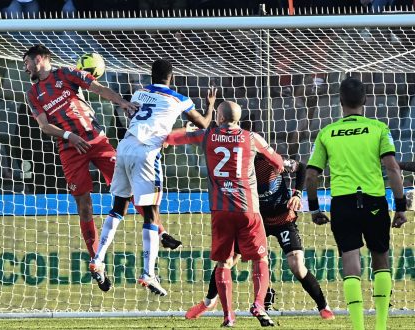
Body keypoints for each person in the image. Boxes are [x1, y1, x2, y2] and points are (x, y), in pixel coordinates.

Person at [22, 45, 181, 292]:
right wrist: (69, 136)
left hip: (96, 140)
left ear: (39, 59)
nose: (26, 68)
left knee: (127, 191)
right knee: (84, 207)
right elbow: (44, 126)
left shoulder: (66, 73)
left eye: (27, 63)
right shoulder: (33, 94)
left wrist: (122, 103)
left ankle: (160, 232)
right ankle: (97, 263)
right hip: (69, 148)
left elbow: (97, 88)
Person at [89, 59, 215, 296]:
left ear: (151, 75)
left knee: (118, 207)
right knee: (151, 213)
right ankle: (148, 273)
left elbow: (139, 115)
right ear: (172, 77)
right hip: (147, 152)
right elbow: (204, 124)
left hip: (125, 146)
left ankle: (98, 258)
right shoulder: (179, 98)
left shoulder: (139, 92)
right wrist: (210, 106)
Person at [166, 101, 282, 327]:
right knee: (260, 259)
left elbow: (172, 139)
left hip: (221, 210)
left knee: (223, 263)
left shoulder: (207, 135)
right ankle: (258, 305)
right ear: (238, 118)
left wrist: (178, 132)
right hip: (248, 208)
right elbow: (277, 161)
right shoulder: (251, 137)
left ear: (218, 117)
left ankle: (229, 316)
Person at [305, 77, 407, 330]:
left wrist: (315, 208)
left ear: (340, 102)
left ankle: (359, 327)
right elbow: (392, 168)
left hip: (343, 203)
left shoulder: (327, 132)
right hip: (373, 200)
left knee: (351, 262)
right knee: (380, 259)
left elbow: (310, 175)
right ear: (365, 100)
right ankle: (381, 325)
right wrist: (401, 206)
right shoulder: (378, 128)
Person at [185, 155, 335, 320]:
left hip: (282, 219)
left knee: (297, 265)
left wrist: (297, 194)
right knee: (227, 259)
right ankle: (209, 302)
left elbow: (302, 167)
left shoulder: (270, 159)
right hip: (255, 221)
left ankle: (323, 306)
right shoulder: (237, 166)